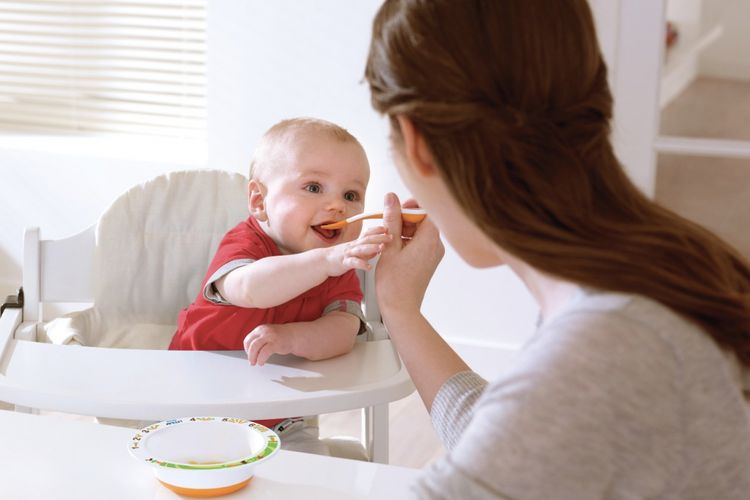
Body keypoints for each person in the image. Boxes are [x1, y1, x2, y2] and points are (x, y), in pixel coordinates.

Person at [364, 1, 750, 498]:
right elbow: (527, 450)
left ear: (415, 140)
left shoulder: (610, 346)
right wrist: (398, 306)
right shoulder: (667, 265)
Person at [170, 117, 389, 454]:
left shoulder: (337, 266)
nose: (337, 206)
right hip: (191, 403)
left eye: (351, 194)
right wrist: (326, 262)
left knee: (308, 465)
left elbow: (343, 331)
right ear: (259, 200)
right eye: (314, 187)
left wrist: (290, 337)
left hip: (282, 417)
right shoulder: (245, 244)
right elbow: (250, 288)